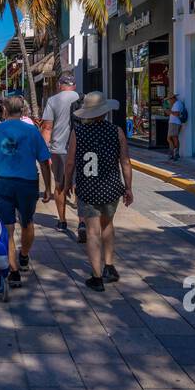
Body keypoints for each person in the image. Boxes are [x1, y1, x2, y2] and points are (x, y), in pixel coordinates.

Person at [0, 95, 52, 289]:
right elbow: (44, 161)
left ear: (4, 111)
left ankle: (14, 271)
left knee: (7, 228)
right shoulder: (32, 131)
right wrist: (48, 188)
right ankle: (24, 256)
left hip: (3, 183)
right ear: (23, 111)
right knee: (27, 221)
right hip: (28, 182)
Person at [65, 91, 133, 292]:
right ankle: (109, 266)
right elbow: (125, 162)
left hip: (87, 188)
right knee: (108, 224)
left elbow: (70, 163)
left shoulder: (78, 133)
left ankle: (96, 276)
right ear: (104, 112)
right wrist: (128, 187)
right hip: (111, 187)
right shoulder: (116, 131)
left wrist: (67, 183)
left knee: (92, 230)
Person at [41, 74, 86, 243]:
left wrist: (44, 150)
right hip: (81, 148)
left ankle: (62, 221)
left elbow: (47, 127)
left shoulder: (53, 100)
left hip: (59, 149)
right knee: (80, 183)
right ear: (74, 86)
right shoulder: (83, 98)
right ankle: (82, 222)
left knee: (59, 185)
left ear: (60, 85)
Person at [167, 92, 188, 161]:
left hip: (175, 123)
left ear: (173, 98)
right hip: (173, 123)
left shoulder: (177, 104)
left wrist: (170, 112)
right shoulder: (175, 104)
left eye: (169, 99)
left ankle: (175, 153)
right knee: (171, 138)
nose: (169, 101)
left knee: (173, 137)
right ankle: (173, 152)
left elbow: (177, 113)